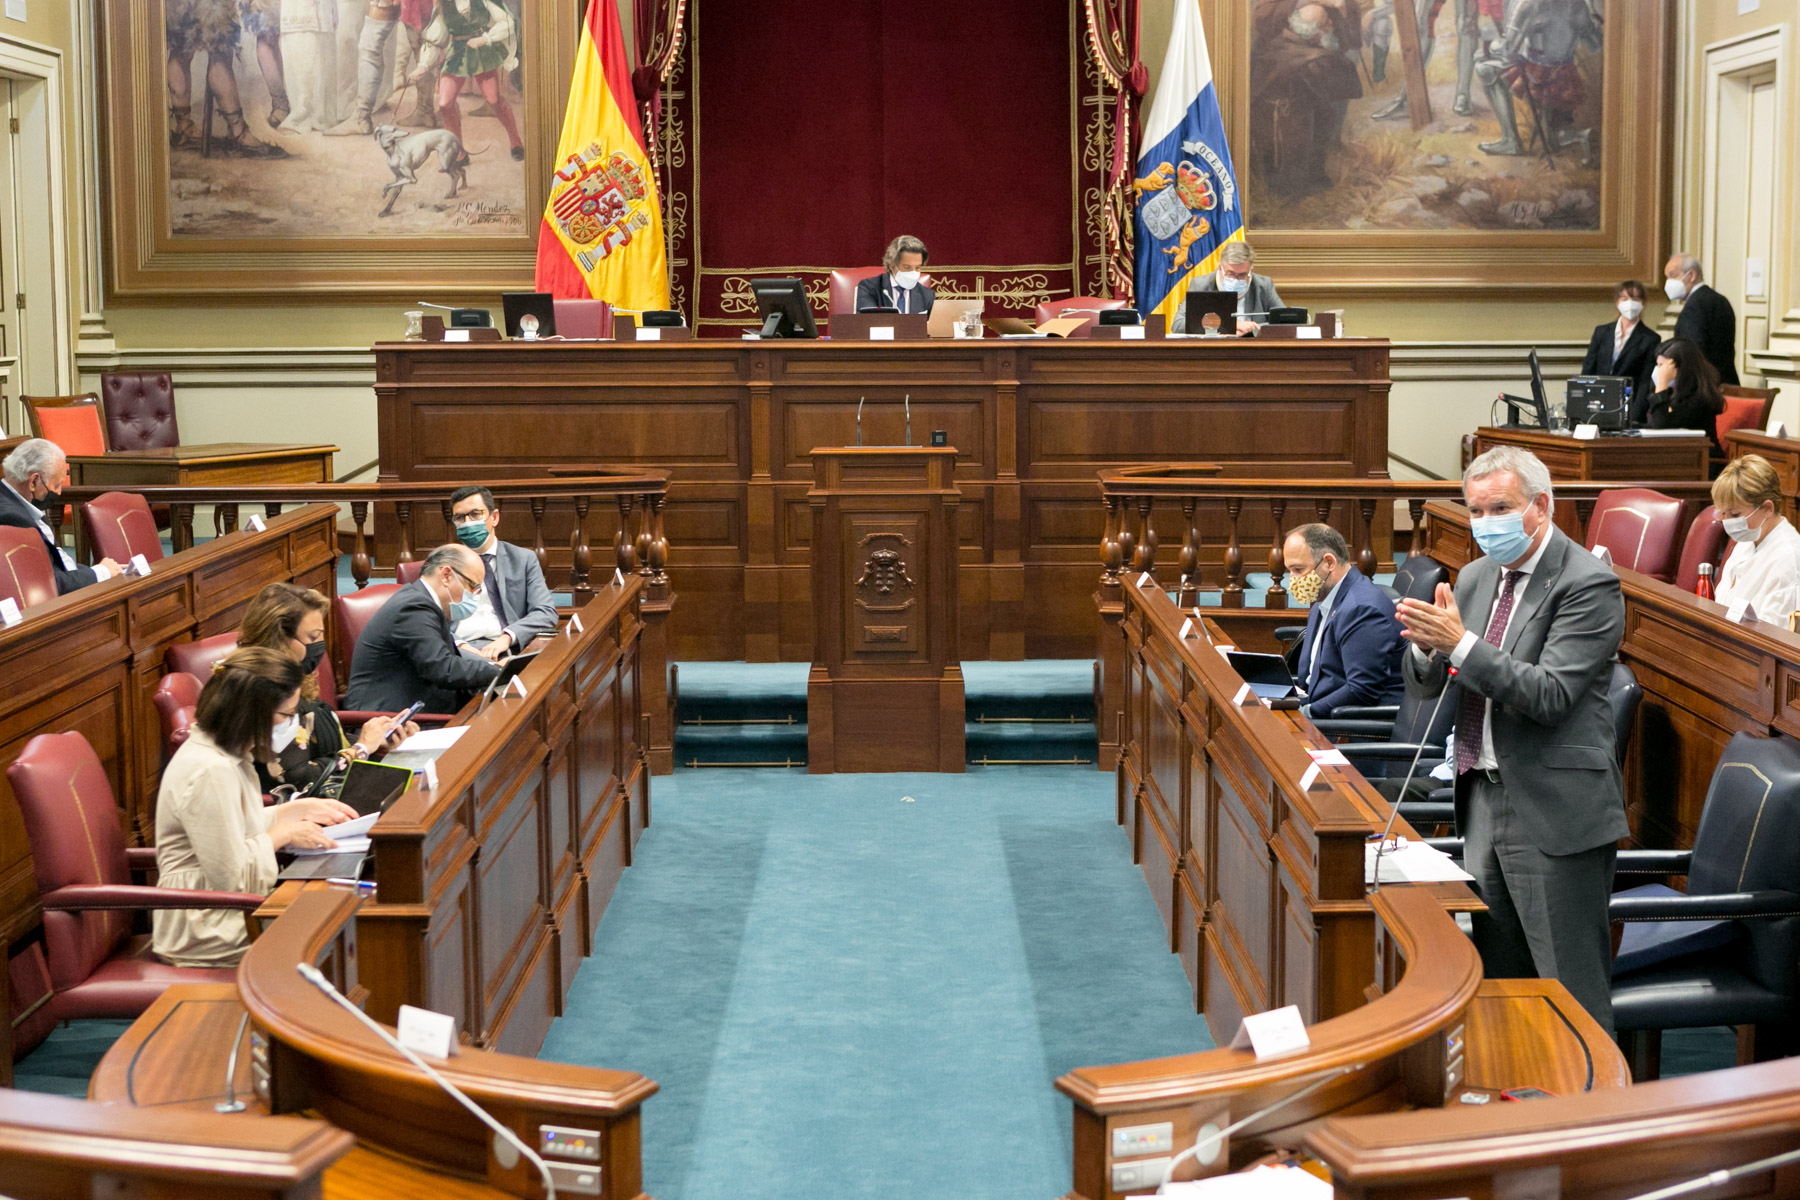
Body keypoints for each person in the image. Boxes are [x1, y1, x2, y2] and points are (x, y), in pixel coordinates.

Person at [1396, 445, 1627, 1034]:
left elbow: (1549, 695)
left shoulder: (1587, 583)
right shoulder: (1475, 576)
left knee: (1569, 991)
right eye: (1475, 510)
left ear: (1541, 507)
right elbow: (1427, 686)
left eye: (1499, 507)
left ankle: (1588, 1118)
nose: (1484, 522)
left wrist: (1459, 644)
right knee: (1503, 986)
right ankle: (1522, 1107)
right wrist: (1427, 645)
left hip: (1554, 812)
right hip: (1481, 797)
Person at [153, 648, 358, 967]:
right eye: (287, 715)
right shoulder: (211, 771)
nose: (293, 723)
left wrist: (297, 810)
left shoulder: (222, 748)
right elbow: (231, 878)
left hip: (219, 908)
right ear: (252, 713)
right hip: (205, 924)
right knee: (339, 926)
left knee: (339, 909)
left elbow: (230, 828)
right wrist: (282, 833)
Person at [237, 582, 416, 794]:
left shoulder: (297, 677)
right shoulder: (259, 689)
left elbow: (320, 741)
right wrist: (361, 749)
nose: (320, 644)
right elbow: (295, 780)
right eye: (313, 638)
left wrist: (379, 740)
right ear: (280, 639)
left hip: (337, 794)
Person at [344, 543, 501, 713]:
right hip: (388, 721)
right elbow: (443, 669)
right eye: (472, 586)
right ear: (446, 575)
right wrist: (497, 670)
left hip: (414, 708)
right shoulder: (414, 608)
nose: (474, 596)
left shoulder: (422, 601)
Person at [1283, 523, 1405, 719]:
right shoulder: (1322, 602)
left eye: (1298, 569)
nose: (1292, 580)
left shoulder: (1361, 609)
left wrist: (1306, 712)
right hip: (1321, 711)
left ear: (1329, 563)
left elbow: (1361, 690)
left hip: (1350, 728)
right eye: (1289, 570)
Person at [446, 485, 559, 660]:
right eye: (460, 517)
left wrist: (508, 636)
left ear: (494, 517)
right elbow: (425, 619)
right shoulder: (442, 564)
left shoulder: (523, 559)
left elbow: (545, 612)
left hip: (508, 648)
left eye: (475, 514)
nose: (468, 523)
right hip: (458, 651)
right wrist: (458, 644)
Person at [0, 439, 122, 596]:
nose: (58, 493)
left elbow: (60, 563)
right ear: (34, 481)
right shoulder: (12, 518)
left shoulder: (17, 502)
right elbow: (47, 583)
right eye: (56, 485)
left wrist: (98, 571)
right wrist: (99, 573)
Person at [408, 0, 523, 160]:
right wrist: (423, 65)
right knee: (445, 104)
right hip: (457, 52)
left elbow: (507, 23)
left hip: (481, 49)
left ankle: (516, 142)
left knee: (494, 100)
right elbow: (435, 37)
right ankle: (459, 152)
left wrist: (485, 39)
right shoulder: (443, 4)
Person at [1710, 454, 1800, 622]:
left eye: (1735, 514)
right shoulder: (1747, 541)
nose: (1726, 522)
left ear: (1767, 508)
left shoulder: (1789, 557)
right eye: (1723, 513)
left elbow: (1776, 636)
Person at [1169, 241, 1285, 335]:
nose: (1236, 279)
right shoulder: (1201, 285)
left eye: (1242, 275)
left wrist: (1252, 327)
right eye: (1231, 274)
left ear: (1250, 271)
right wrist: (1230, 326)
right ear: (1220, 268)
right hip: (1213, 355)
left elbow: (1286, 323)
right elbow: (1178, 325)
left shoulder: (1263, 285)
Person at [1580, 280, 1658, 409]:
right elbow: (1589, 367)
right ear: (1617, 302)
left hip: (1628, 402)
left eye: (1635, 298)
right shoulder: (1602, 332)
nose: (1630, 303)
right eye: (1624, 298)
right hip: (1598, 398)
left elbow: (1645, 381)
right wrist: (1585, 400)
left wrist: (1636, 414)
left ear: (1643, 303)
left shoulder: (1650, 338)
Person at [1641, 337, 1726, 456]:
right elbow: (1654, 423)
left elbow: (1661, 426)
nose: (1658, 372)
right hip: (1678, 457)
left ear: (1681, 368)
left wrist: (1661, 385)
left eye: (1662, 366)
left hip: (1702, 461)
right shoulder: (1673, 392)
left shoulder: (1699, 397)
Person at [1665, 254, 1740, 386]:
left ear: (1692, 275)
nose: (1668, 282)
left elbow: (1692, 352)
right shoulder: (1720, 299)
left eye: (1673, 275)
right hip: (1726, 381)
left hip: (1704, 387)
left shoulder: (1694, 305)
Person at [854, 235, 936, 316]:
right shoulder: (869, 288)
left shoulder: (927, 296)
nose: (913, 273)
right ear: (892, 265)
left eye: (917, 267)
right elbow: (867, 323)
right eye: (907, 267)